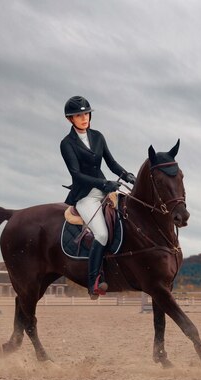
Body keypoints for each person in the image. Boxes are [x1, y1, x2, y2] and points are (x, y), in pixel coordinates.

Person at [60, 96, 136, 299]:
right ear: (70, 119)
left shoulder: (98, 136)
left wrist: (127, 175)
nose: (84, 118)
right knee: (101, 234)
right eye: (78, 115)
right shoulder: (67, 144)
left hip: (105, 190)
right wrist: (104, 183)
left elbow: (111, 163)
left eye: (86, 113)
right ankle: (93, 281)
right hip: (86, 196)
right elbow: (76, 175)